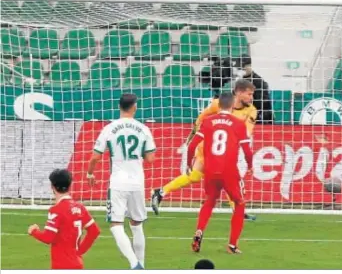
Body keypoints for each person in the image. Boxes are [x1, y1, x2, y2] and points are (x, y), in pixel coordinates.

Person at [151, 79, 257, 221]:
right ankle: (238, 210)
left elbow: (247, 132)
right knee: (228, 178)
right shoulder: (217, 104)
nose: (251, 98)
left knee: (196, 176)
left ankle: (160, 192)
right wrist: (191, 138)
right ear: (238, 92)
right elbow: (201, 119)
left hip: (226, 149)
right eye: (249, 94)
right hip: (208, 147)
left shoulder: (251, 110)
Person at [87, 93, 156, 269]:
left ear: (119, 107)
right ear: (135, 107)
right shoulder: (143, 129)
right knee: (136, 224)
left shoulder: (109, 128)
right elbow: (150, 158)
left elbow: (95, 156)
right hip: (137, 182)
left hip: (117, 182)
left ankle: (134, 264)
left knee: (116, 224)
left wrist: (90, 173)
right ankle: (142, 265)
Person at [187, 92, 254, 254]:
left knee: (209, 202)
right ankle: (232, 245)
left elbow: (192, 145)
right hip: (229, 171)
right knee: (239, 203)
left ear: (219, 105)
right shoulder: (238, 123)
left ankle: (199, 232)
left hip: (210, 170)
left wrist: (189, 163)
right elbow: (247, 150)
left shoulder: (208, 122)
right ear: (232, 105)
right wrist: (250, 165)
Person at [28, 169, 101, 269]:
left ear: (52, 187)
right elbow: (94, 231)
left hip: (61, 265)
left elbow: (48, 237)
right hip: (78, 264)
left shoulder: (56, 210)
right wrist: (79, 252)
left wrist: (34, 231)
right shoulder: (80, 208)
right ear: (70, 186)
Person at [241, 56, 273, 124]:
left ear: (249, 65)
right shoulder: (239, 80)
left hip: (256, 117)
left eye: (243, 67)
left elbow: (264, 103)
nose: (242, 69)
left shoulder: (258, 81)